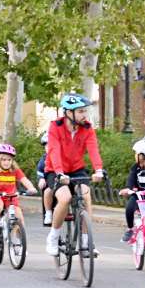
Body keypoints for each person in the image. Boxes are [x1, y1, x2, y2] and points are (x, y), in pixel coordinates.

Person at [43, 94, 105, 256]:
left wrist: (98, 169)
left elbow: (93, 149)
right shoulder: (55, 126)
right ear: (69, 113)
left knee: (85, 196)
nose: (84, 115)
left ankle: (86, 242)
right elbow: (54, 150)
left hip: (77, 169)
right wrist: (59, 172)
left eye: (85, 111)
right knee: (64, 198)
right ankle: (53, 237)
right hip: (55, 170)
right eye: (80, 111)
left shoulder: (87, 128)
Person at [0, 143, 38, 234]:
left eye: (9, 160)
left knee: (19, 219)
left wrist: (31, 188)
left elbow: (25, 180)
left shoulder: (15, 170)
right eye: (4, 160)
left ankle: (18, 244)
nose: (6, 162)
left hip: (11, 197)